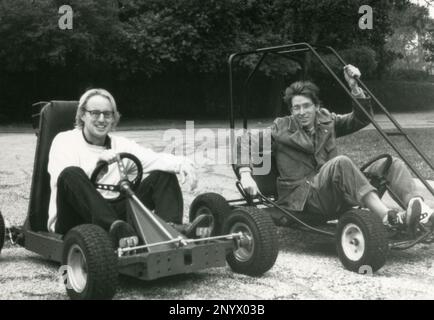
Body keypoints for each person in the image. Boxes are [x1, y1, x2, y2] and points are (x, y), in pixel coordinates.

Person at [237, 65, 433, 232]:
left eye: (306, 106)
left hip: (334, 190)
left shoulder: (326, 120)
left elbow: (362, 118)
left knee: (391, 164)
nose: (302, 112)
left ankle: (420, 212)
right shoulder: (281, 126)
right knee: (341, 162)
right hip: (304, 198)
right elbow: (245, 139)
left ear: (316, 106)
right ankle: (388, 218)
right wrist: (246, 174)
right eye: (296, 108)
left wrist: (354, 86)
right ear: (291, 110)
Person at [47, 88, 207, 246]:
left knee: (163, 176)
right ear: (82, 115)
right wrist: (97, 166)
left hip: (118, 221)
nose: (102, 119)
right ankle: (114, 227)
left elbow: (154, 158)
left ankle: (171, 231)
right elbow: (65, 182)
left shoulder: (121, 144)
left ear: (113, 118)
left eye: (107, 114)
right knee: (71, 173)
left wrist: (182, 163)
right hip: (75, 218)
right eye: (95, 113)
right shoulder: (64, 141)